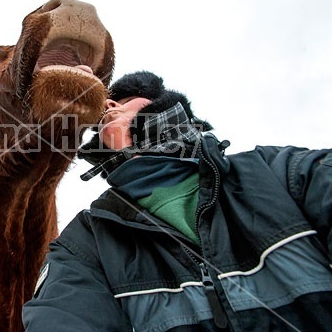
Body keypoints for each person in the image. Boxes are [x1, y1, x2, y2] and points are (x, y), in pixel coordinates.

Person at [22, 71, 332, 331]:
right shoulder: (87, 240)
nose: (108, 104)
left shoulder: (281, 172)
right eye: (105, 106)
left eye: (127, 101)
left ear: (166, 107)